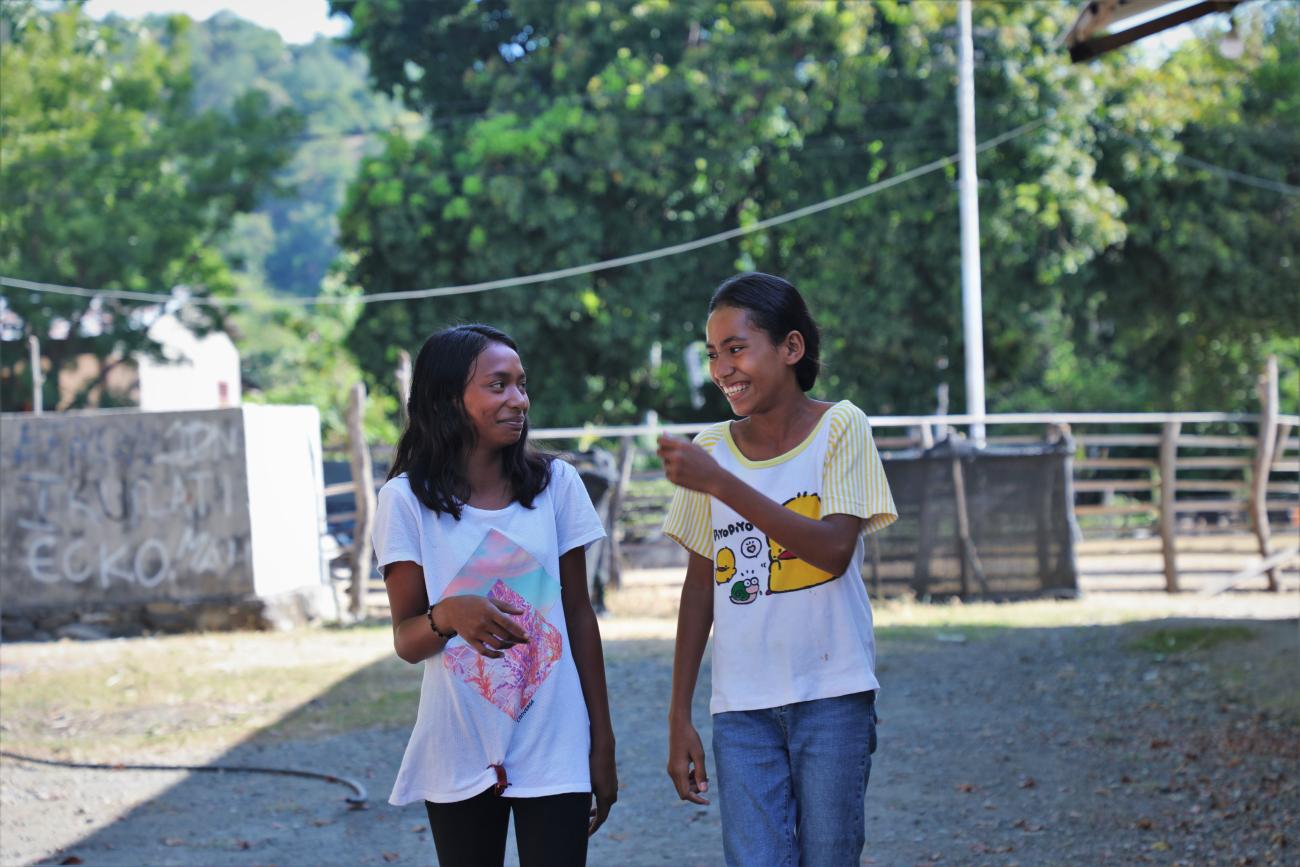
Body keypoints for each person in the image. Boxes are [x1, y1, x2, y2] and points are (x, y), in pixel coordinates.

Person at [659, 272, 897, 867]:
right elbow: (700, 588)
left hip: (833, 695)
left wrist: (721, 485)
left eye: (736, 348)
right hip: (741, 708)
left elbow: (833, 551)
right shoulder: (709, 449)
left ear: (791, 348)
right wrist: (679, 714)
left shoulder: (841, 427)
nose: (722, 369)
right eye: (714, 354)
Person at [372, 323, 617, 867]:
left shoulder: (557, 486)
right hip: (457, 744)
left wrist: (602, 742)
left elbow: (578, 616)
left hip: (556, 741)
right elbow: (409, 641)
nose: (519, 400)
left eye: (521, 384)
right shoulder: (405, 501)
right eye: (498, 385)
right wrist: (449, 615)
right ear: (446, 400)